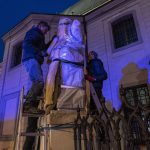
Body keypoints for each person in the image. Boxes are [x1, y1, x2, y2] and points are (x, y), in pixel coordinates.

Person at [45, 17, 85, 112]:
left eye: (66, 24)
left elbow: (77, 39)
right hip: (55, 67)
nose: (64, 26)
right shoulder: (57, 40)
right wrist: (54, 41)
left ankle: (66, 105)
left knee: (67, 84)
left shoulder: (73, 38)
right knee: (54, 85)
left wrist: (75, 26)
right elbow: (48, 51)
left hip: (69, 67)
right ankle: (51, 103)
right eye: (61, 24)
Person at [22, 21, 50, 150]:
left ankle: (31, 105)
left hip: (33, 59)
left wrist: (51, 42)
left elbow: (44, 48)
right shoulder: (34, 32)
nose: (46, 32)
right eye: (45, 29)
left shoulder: (40, 36)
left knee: (36, 83)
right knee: (39, 82)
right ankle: (27, 105)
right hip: (31, 58)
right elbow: (28, 44)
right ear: (40, 26)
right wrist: (40, 52)